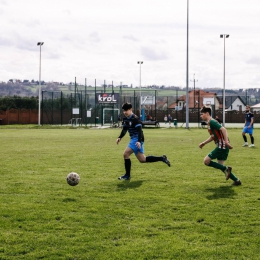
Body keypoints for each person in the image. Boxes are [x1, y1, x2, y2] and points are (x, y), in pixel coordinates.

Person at [116, 102, 171, 180]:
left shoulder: (135, 118)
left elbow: (139, 131)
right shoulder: (125, 119)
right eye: (124, 110)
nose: (125, 112)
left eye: (126, 110)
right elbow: (124, 130)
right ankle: (162, 158)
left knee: (125, 154)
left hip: (137, 139)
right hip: (134, 139)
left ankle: (127, 175)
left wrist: (138, 141)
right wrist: (119, 137)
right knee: (142, 159)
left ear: (131, 109)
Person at [199, 105, 241, 186]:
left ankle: (226, 169)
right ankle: (237, 180)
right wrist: (204, 143)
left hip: (222, 145)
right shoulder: (209, 123)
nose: (201, 116)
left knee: (206, 161)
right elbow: (213, 136)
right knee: (221, 166)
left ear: (207, 113)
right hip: (222, 146)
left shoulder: (212, 121)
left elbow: (223, 129)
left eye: (202, 114)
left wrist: (226, 141)